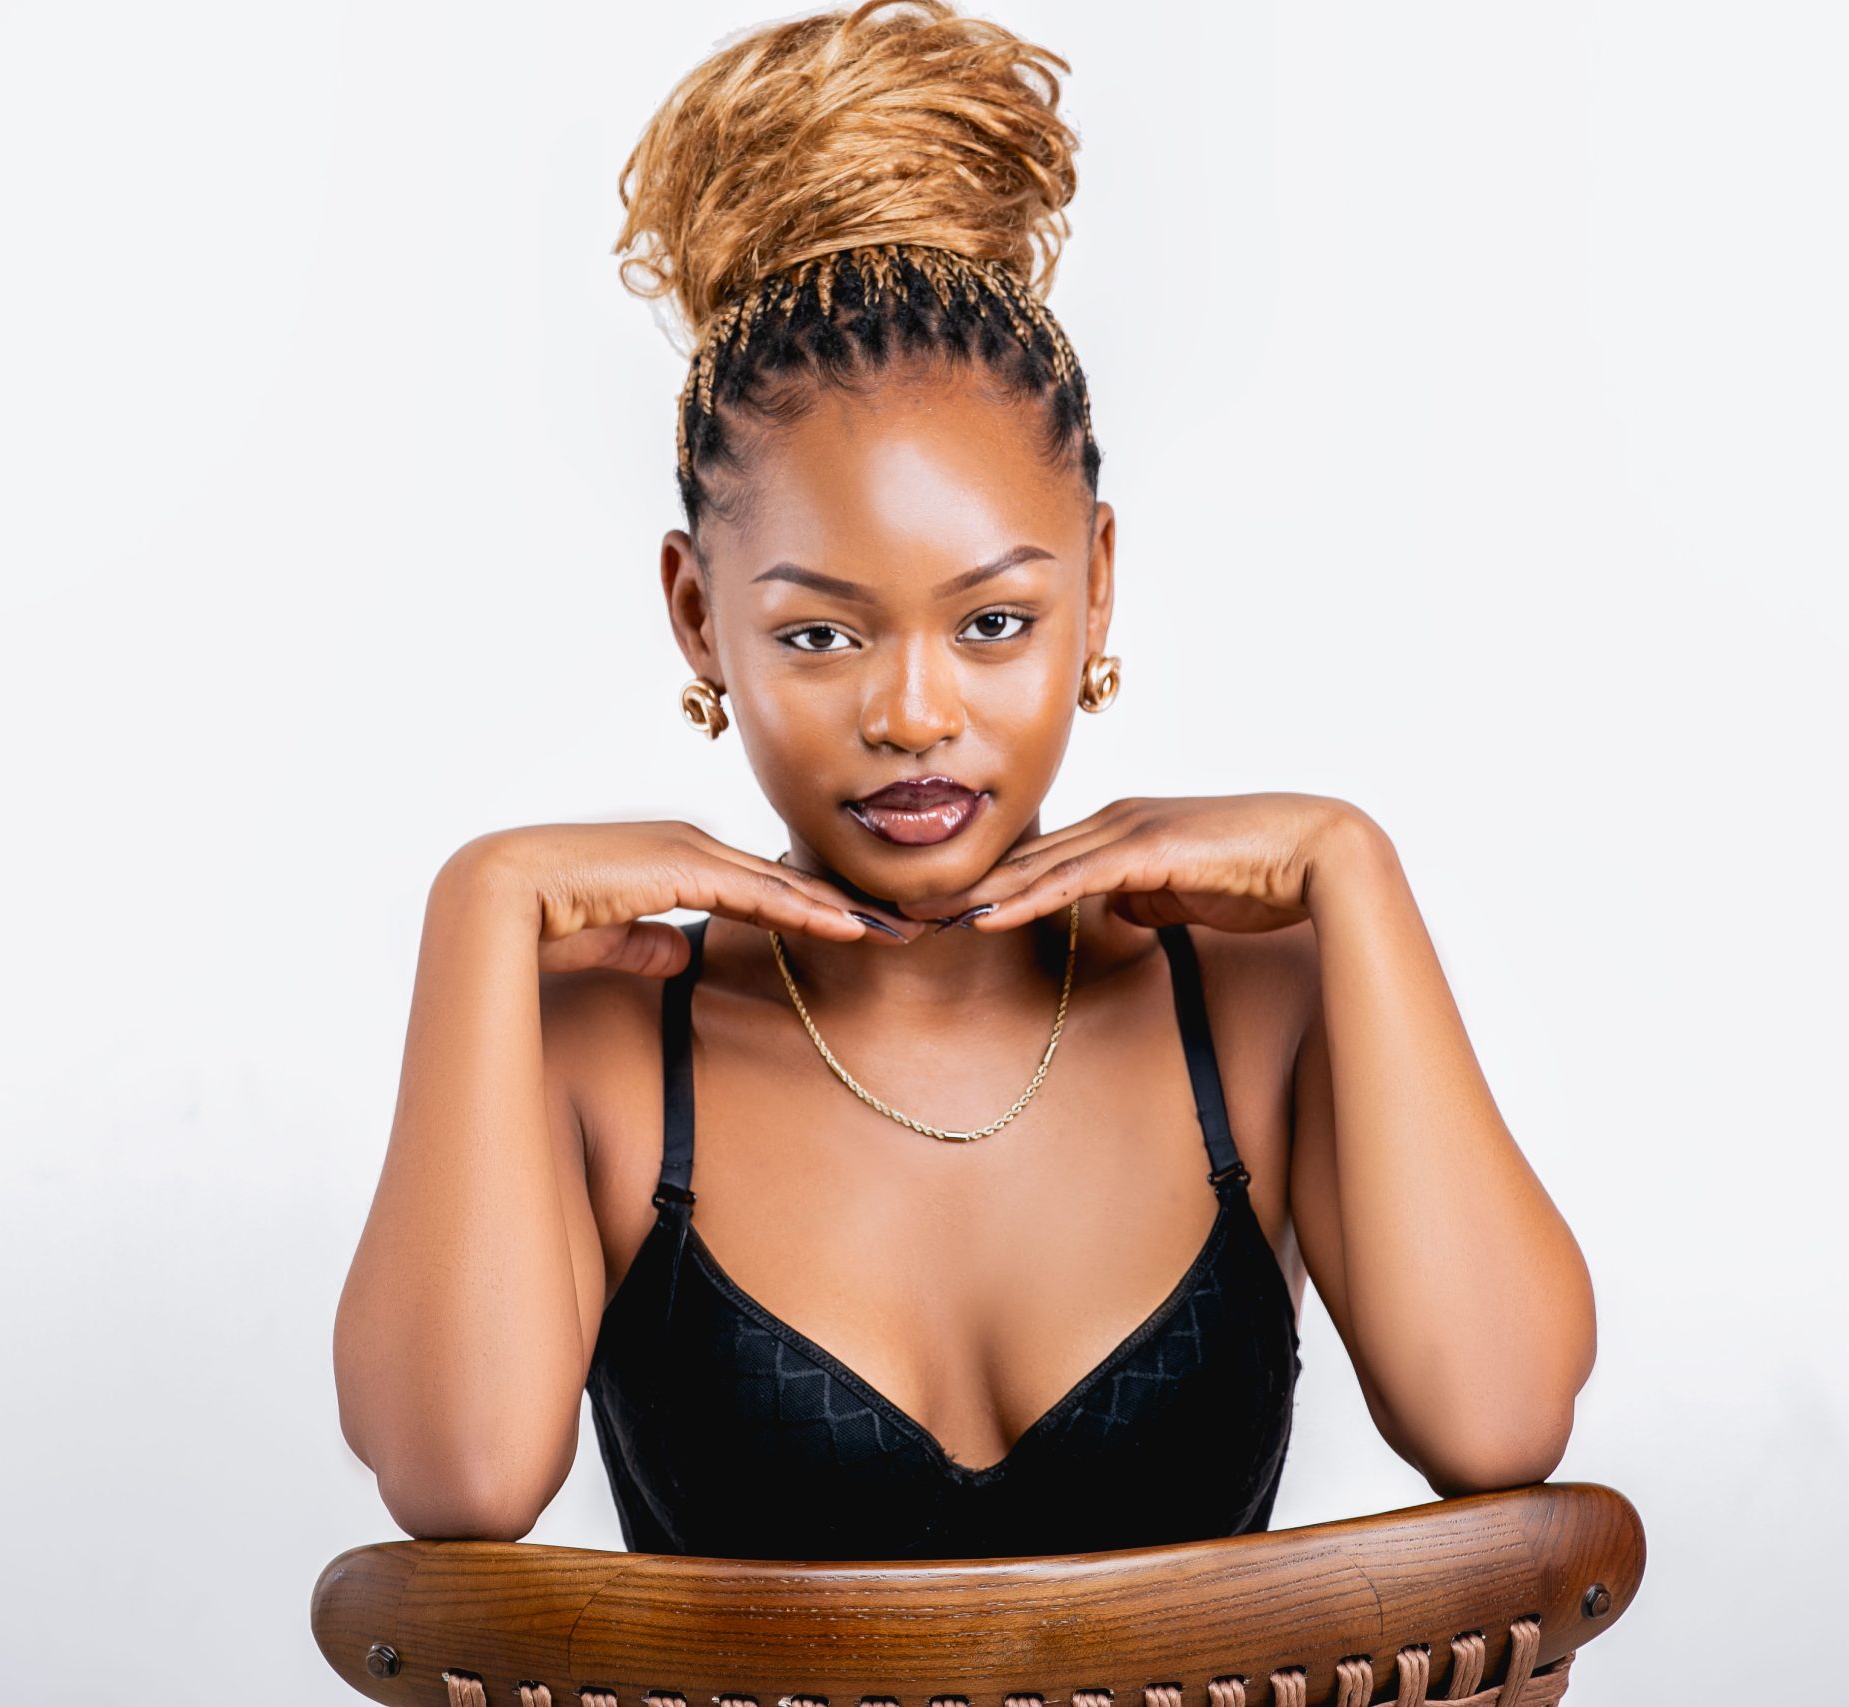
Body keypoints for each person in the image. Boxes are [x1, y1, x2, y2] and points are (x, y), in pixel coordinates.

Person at [333, 0, 1596, 1562]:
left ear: (1100, 590)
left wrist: (1355, 870)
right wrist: (479, 909)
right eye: (818, 633)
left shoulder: (1260, 1003)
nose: (915, 713)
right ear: (694, 616)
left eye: (996, 622)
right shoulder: (596, 1050)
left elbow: (1504, 1422)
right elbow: (453, 1487)